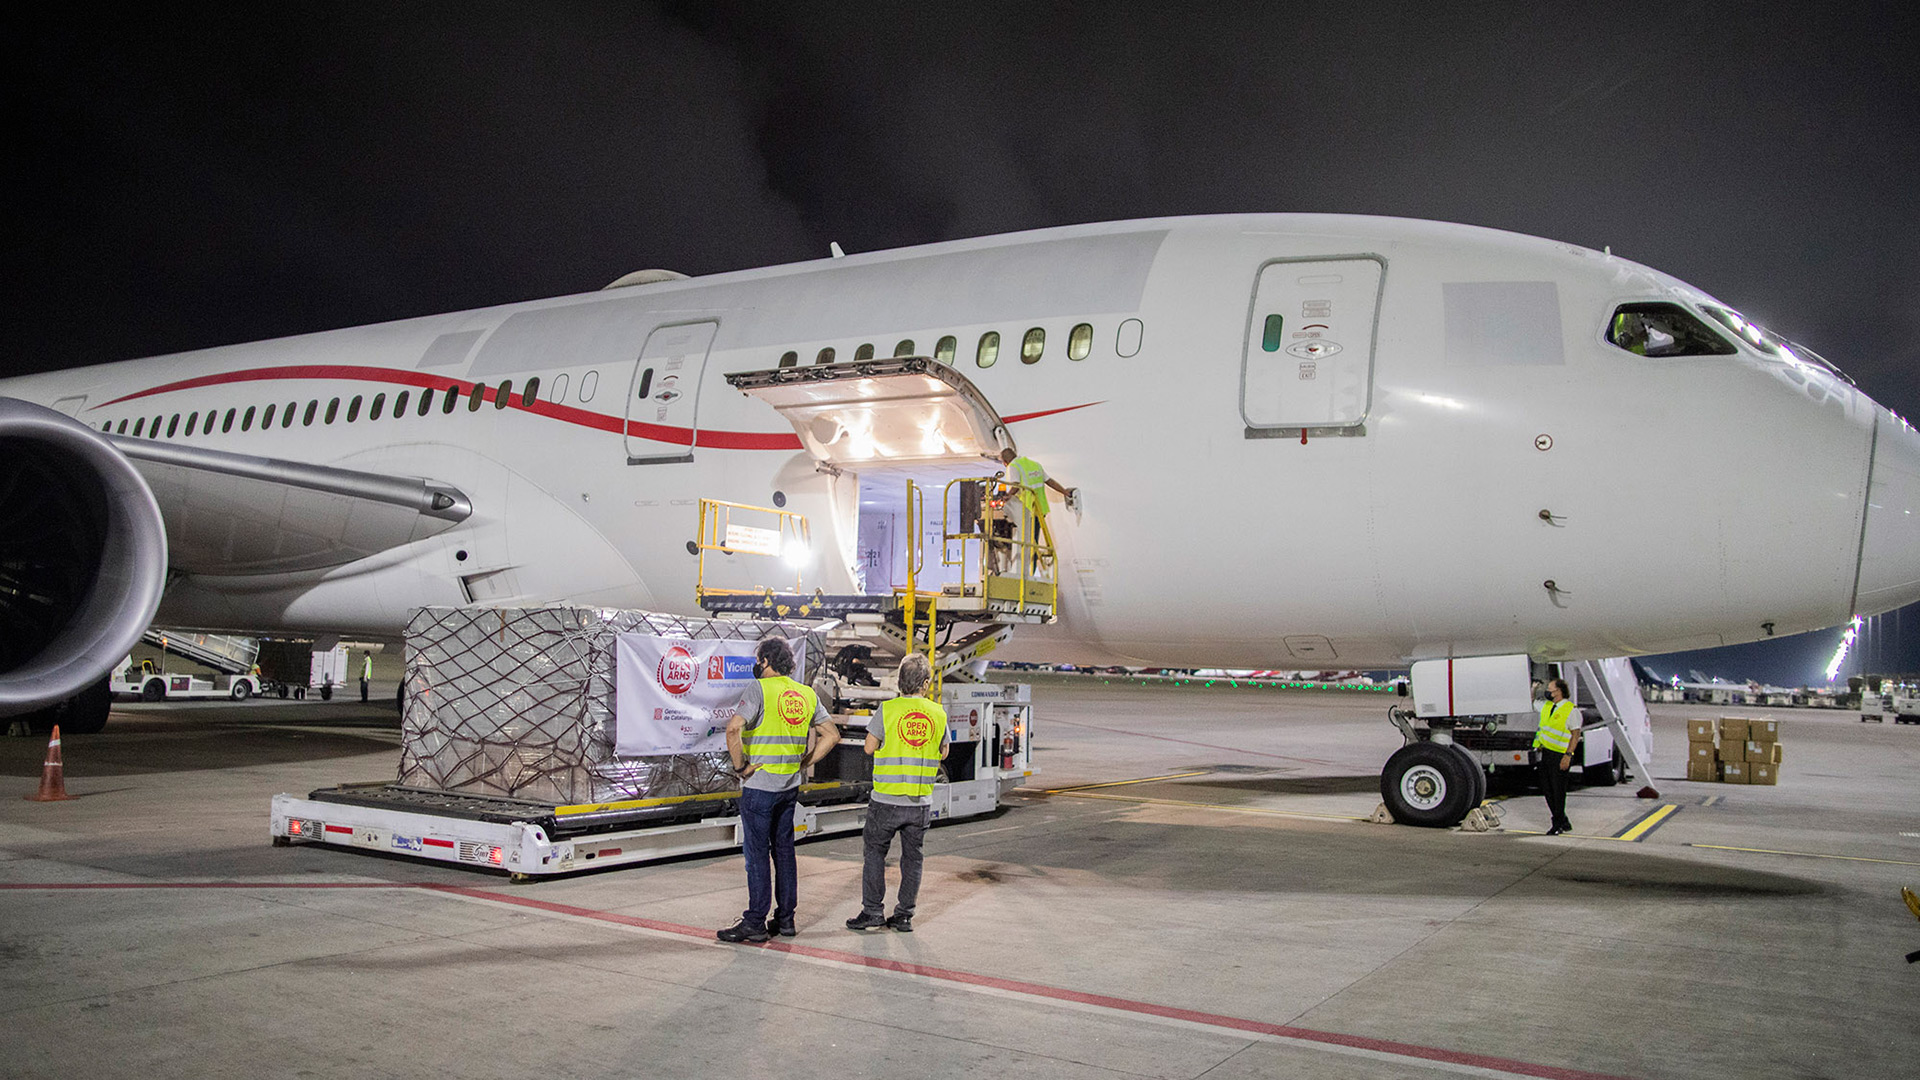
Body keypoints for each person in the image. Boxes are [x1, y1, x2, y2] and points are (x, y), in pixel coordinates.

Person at [717, 637, 840, 943]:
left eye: (760, 661)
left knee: (757, 855)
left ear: (767, 662)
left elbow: (733, 728)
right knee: (784, 852)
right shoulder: (805, 693)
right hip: (789, 787)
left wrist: (740, 767)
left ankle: (756, 921)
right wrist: (805, 761)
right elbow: (832, 734)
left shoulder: (759, 689)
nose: (757, 666)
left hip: (760, 787)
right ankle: (785, 919)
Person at [846, 652, 949, 933]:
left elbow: (869, 747)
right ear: (925, 683)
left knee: (875, 854)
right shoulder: (938, 713)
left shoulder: (888, 710)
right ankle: (904, 915)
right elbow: (944, 752)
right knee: (913, 858)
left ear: (900, 681)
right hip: (919, 801)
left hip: (886, 800)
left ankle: (872, 912)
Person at [997, 448, 1077, 571]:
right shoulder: (1034, 465)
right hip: (1040, 509)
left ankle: (1027, 574)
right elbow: (1049, 482)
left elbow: (1016, 484)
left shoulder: (1013, 466)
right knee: (1032, 542)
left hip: (1026, 510)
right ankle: (1030, 572)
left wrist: (1007, 496)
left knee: (1027, 544)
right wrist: (1065, 492)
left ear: (1005, 462)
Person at [1534, 677, 1581, 835]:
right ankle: (1562, 820)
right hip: (1547, 753)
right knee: (1548, 789)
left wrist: (1568, 755)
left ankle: (1558, 824)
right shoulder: (1548, 706)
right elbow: (1532, 702)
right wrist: (1534, 689)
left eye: (1550, 688)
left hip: (1560, 755)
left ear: (1558, 691)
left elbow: (1575, 734)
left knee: (1558, 790)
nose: (1547, 691)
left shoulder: (1571, 710)